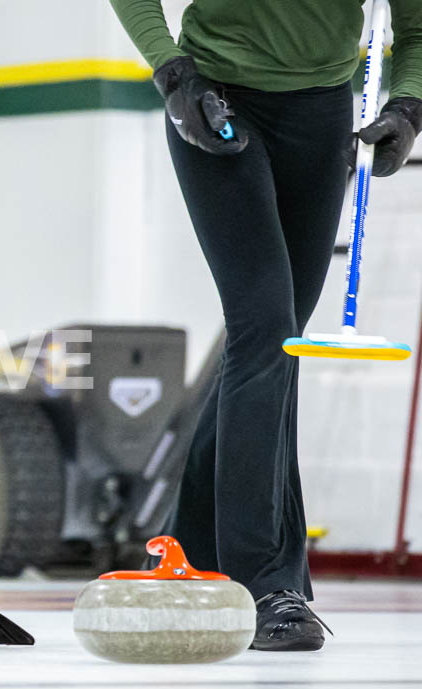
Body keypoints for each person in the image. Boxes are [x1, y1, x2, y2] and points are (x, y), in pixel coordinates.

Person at [109, 0, 422, 651]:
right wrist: (172, 73)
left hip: (322, 114)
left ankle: (187, 554)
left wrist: (409, 105)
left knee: (275, 343)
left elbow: (417, 27)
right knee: (268, 329)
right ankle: (263, 583)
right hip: (216, 101)